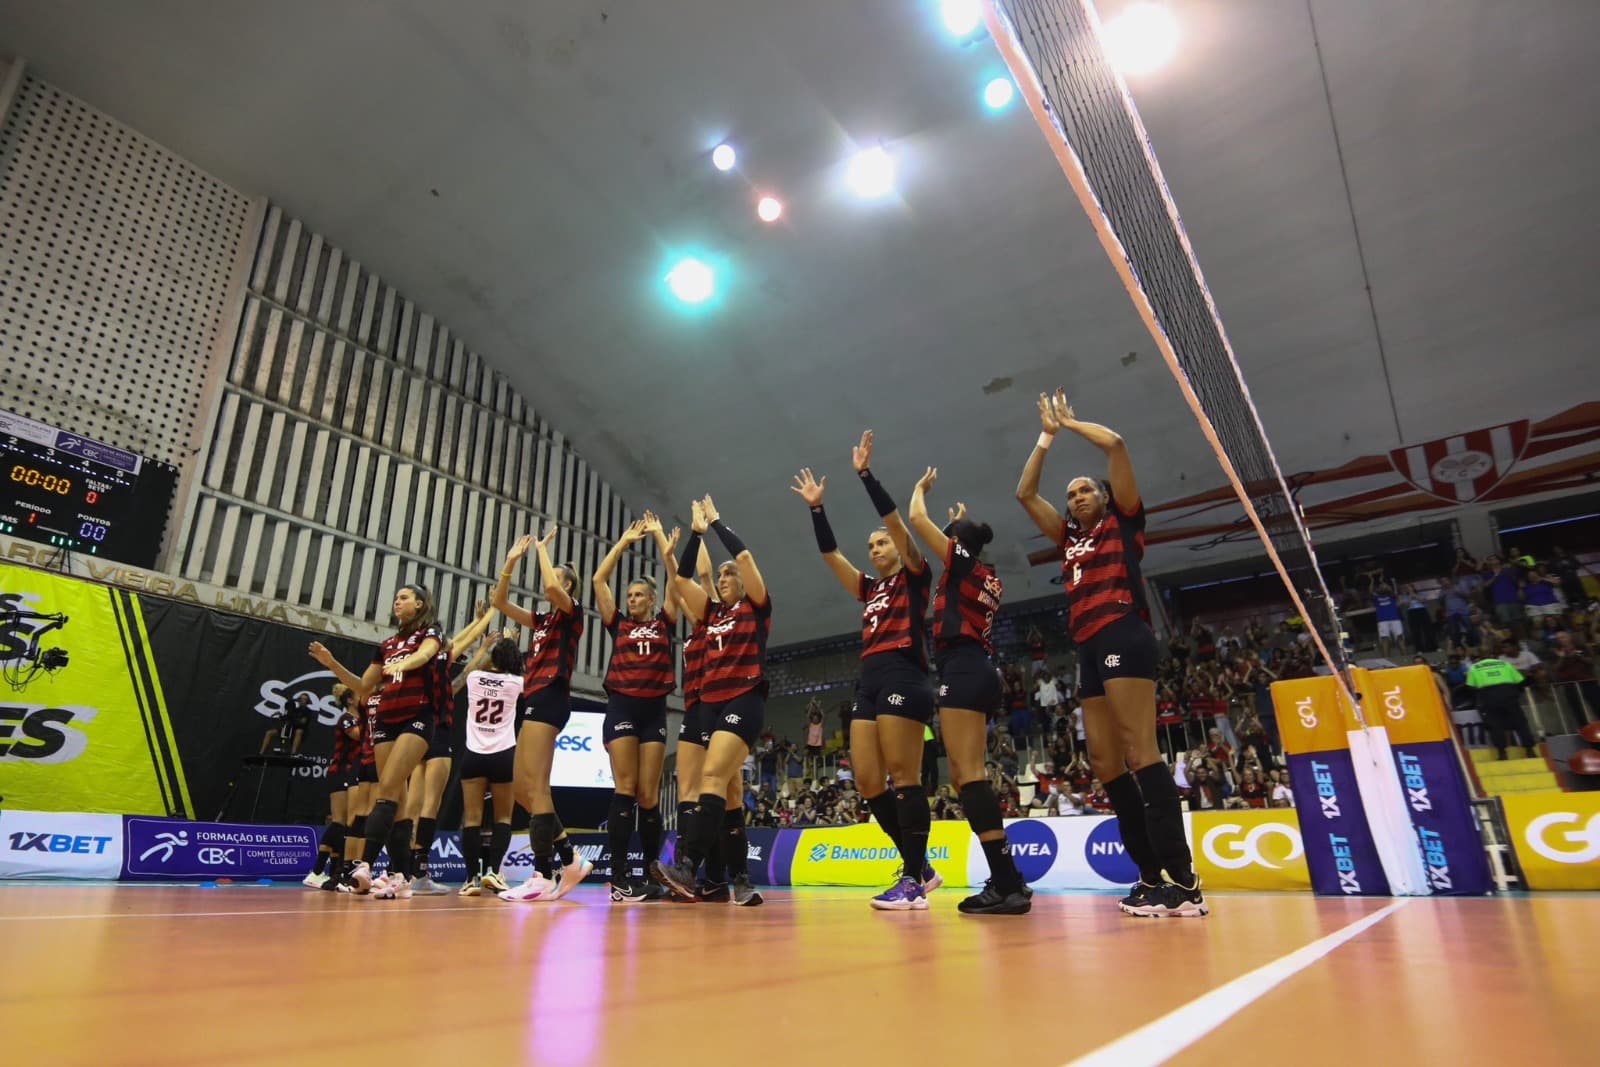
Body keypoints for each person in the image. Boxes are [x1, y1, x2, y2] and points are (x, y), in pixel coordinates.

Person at [1016, 390, 1204, 917]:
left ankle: (1183, 881)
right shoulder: (1068, 539)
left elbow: (1117, 446)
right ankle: (1148, 877)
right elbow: (1025, 493)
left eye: (1084, 490)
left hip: (1123, 631)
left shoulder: (1123, 521)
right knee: (1104, 761)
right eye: (1071, 493)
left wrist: (1072, 424)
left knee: (1138, 750)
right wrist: (1045, 438)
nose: (1075, 497)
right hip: (1088, 646)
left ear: (1103, 497)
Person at [791, 431, 939, 911]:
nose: (875, 548)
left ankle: (914, 878)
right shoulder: (870, 589)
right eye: (871, 545)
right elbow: (831, 556)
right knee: (870, 783)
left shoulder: (916, 576)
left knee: (904, 774)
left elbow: (896, 521)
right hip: (869, 679)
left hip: (904, 674)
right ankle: (922, 866)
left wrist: (864, 475)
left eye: (881, 543)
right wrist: (817, 509)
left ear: (897, 548)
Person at [907, 465, 1030, 914]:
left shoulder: (962, 565)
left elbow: (917, 522)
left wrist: (919, 492)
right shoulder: (984, 573)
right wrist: (960, 527)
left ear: (958, 546)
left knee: (968, 775)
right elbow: (954, 543)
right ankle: (1009, 877)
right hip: (979, 668)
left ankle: (1006, 883)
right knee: (963, 775)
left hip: (962, 668)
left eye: (950, 538)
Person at [653, 495, 769, 906]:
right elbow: (682, 582)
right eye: (718, 575)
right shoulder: (711, 615)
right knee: (729, 794)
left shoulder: (755, 608)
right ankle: (739, 879)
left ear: (740, 582)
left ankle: (688, 865)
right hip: (711, 703)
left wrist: (716, 524)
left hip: (745, 696)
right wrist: (695, 534)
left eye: (727, 575)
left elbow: (747, 559)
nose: (721, 578)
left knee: (713, 778)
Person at [309, 584, 450, 898]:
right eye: (395, 597)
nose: (397, 602)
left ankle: (365, 866)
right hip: (387, 718)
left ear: (420, 603)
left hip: (417, 716)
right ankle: (401, 877)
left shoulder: (432, 633)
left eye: (404, 597)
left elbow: (426, 654)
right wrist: (331, 663)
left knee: (385, 791)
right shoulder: (386, 644)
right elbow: (363, 685)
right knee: (396, 807)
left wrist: (406, 662)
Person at [492, 528, 594, 901]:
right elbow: (500, 602)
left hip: (551, 696)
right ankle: (569, 859)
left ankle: (542, 872)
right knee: (523, 789)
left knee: (537, 787)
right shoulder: (542, 621)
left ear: (570, 586)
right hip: (534, 697)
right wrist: (510, 562)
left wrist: (543, 552)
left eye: (560, 576)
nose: (550, 579)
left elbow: (553, 589)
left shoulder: (571, 612)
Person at [592, 514, 681, 902]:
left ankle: (650, 873)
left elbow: (678, 582)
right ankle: (619, 876)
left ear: (652, 599)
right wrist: (623, 543)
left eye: (638, 595)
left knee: (648, 796)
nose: (631, 600)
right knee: (625, 788)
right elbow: (598, 581)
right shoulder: (619, 625)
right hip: (623, 707)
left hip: (655, 712)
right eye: (628, 596)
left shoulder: (665, 622)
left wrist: (664, 544)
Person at [403, 601, 498, 895]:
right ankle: (418, 873)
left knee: (413, 807)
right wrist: (491, 613)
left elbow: (465, 665)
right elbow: (463, 646)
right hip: (436, 735)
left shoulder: (431, 670)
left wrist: (479, 625)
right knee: (429, 804)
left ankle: (405, 871)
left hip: (416, 733)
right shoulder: (438, 661)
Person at [457, 635, 524, 896]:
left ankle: (471, 878)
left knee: (472, 819)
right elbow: (522, 674)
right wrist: (512, 647)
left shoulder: (474, 678)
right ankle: (494, 872)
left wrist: (485, 647)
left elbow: (467, 671)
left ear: (492, 659)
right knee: (503, 818)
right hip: (503, 755)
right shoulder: (516, 683)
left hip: (474, 754)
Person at [304, 685, 362, 889]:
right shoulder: (347, 718)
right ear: (350, 701)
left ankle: (334, 874)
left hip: (352, 773)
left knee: (346, 824)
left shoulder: (358, 717)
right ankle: (317, 871)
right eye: (359, 695)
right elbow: (357, 735)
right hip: (340, 772)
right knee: (339, 822)